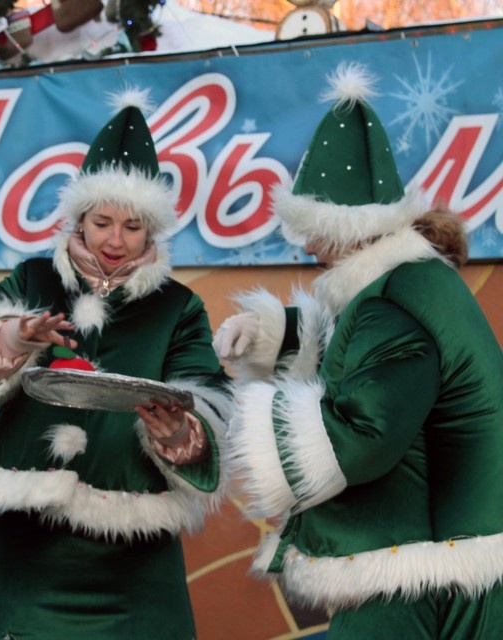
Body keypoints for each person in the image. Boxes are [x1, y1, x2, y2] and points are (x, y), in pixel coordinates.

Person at [0, 90, 232, 640]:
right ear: (79, 218)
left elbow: (209, 399)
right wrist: (13, 338)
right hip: (21, 542)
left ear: (151, 230)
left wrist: (180, 430)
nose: (115, 240)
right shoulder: (35, 279)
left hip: (130, 556)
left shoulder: (177, 307)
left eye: (133, 227)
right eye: (103, 221)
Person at [214, 62, 503, 638]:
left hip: (420, 565)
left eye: (310, 230)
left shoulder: (391, 303)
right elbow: (368, 365)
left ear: (341, 230)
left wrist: (247, 422)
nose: (307, 248)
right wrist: (274, 335)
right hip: (451, 546)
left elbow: (366, 433)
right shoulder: (409, 282)